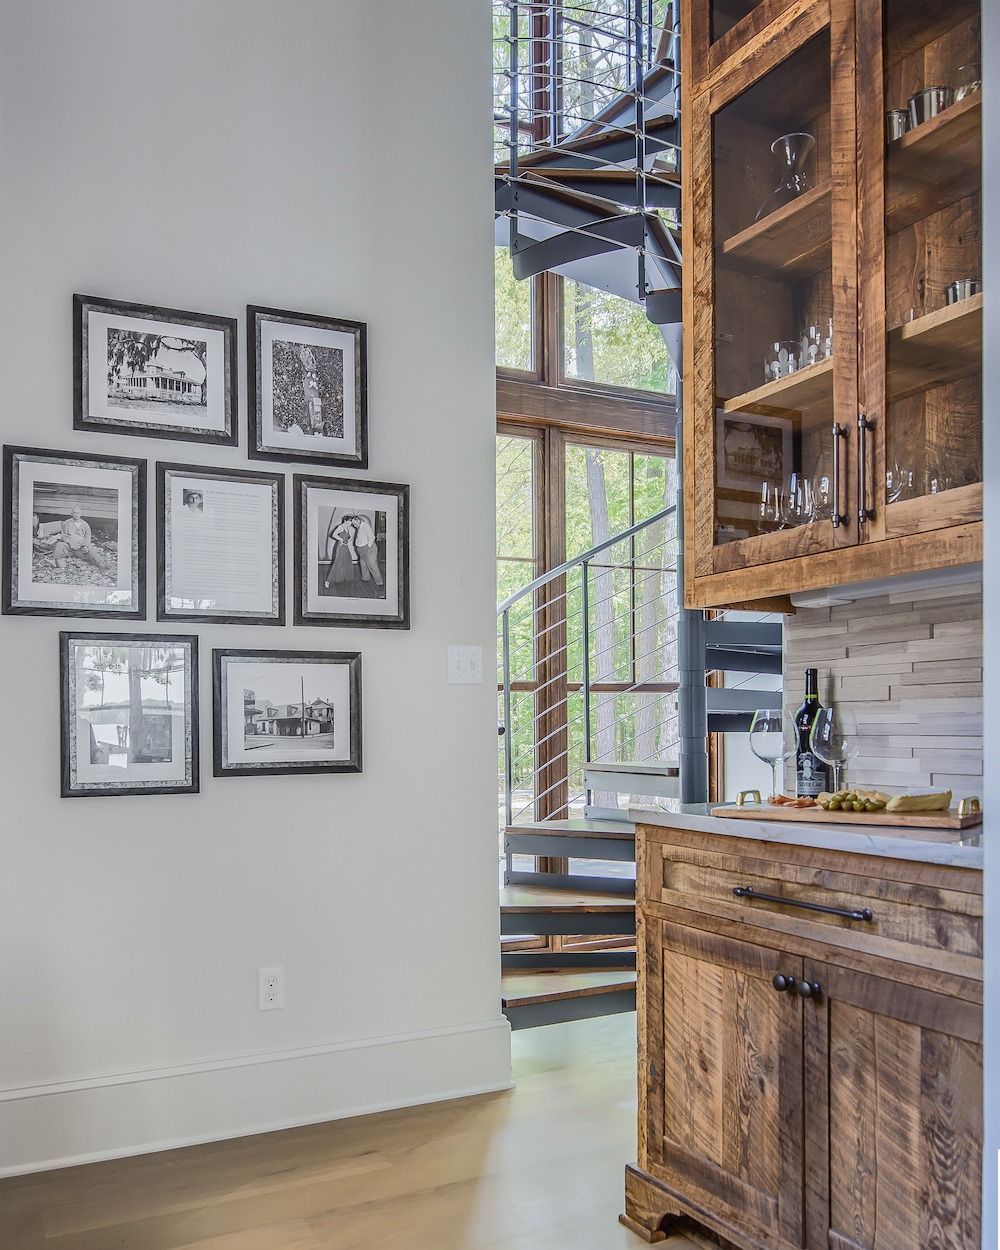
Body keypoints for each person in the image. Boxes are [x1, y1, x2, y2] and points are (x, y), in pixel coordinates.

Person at [324, 513, 358, 589]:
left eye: (351, 522)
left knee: (347, 561)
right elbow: (333, 535)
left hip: (345, 547)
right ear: (345, 521)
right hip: (340, 547)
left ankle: (342, 578)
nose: (351, 523)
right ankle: (328, 581)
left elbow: (350, 537)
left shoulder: (348, 527)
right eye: (349, 522)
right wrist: (341, 539)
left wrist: (350, 538)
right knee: (337, 563)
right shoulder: (341, 526)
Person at [352, 513, 383, 587]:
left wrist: (368, 547)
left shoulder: (365, 526)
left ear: (358, 521)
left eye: (354, 523)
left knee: (373, 566)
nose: (353, 525)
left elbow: (372, 537)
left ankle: (380, 584)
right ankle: (365, 579)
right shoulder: (360, 527)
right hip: (362, 550)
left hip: (368, 549)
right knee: (363, 564)